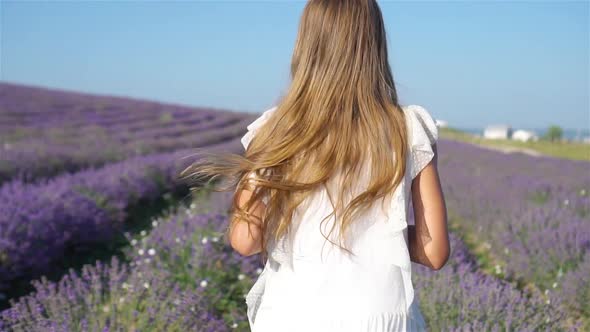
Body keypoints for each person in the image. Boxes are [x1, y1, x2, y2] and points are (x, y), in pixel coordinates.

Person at [183, 0, 450, 331]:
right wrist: (372, 234)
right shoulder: (407, 127)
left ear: (306, 45)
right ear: (375, 45)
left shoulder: (276, 129)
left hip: (292, 314)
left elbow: (245, 240)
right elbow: (434, 250)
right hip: (377, 317)